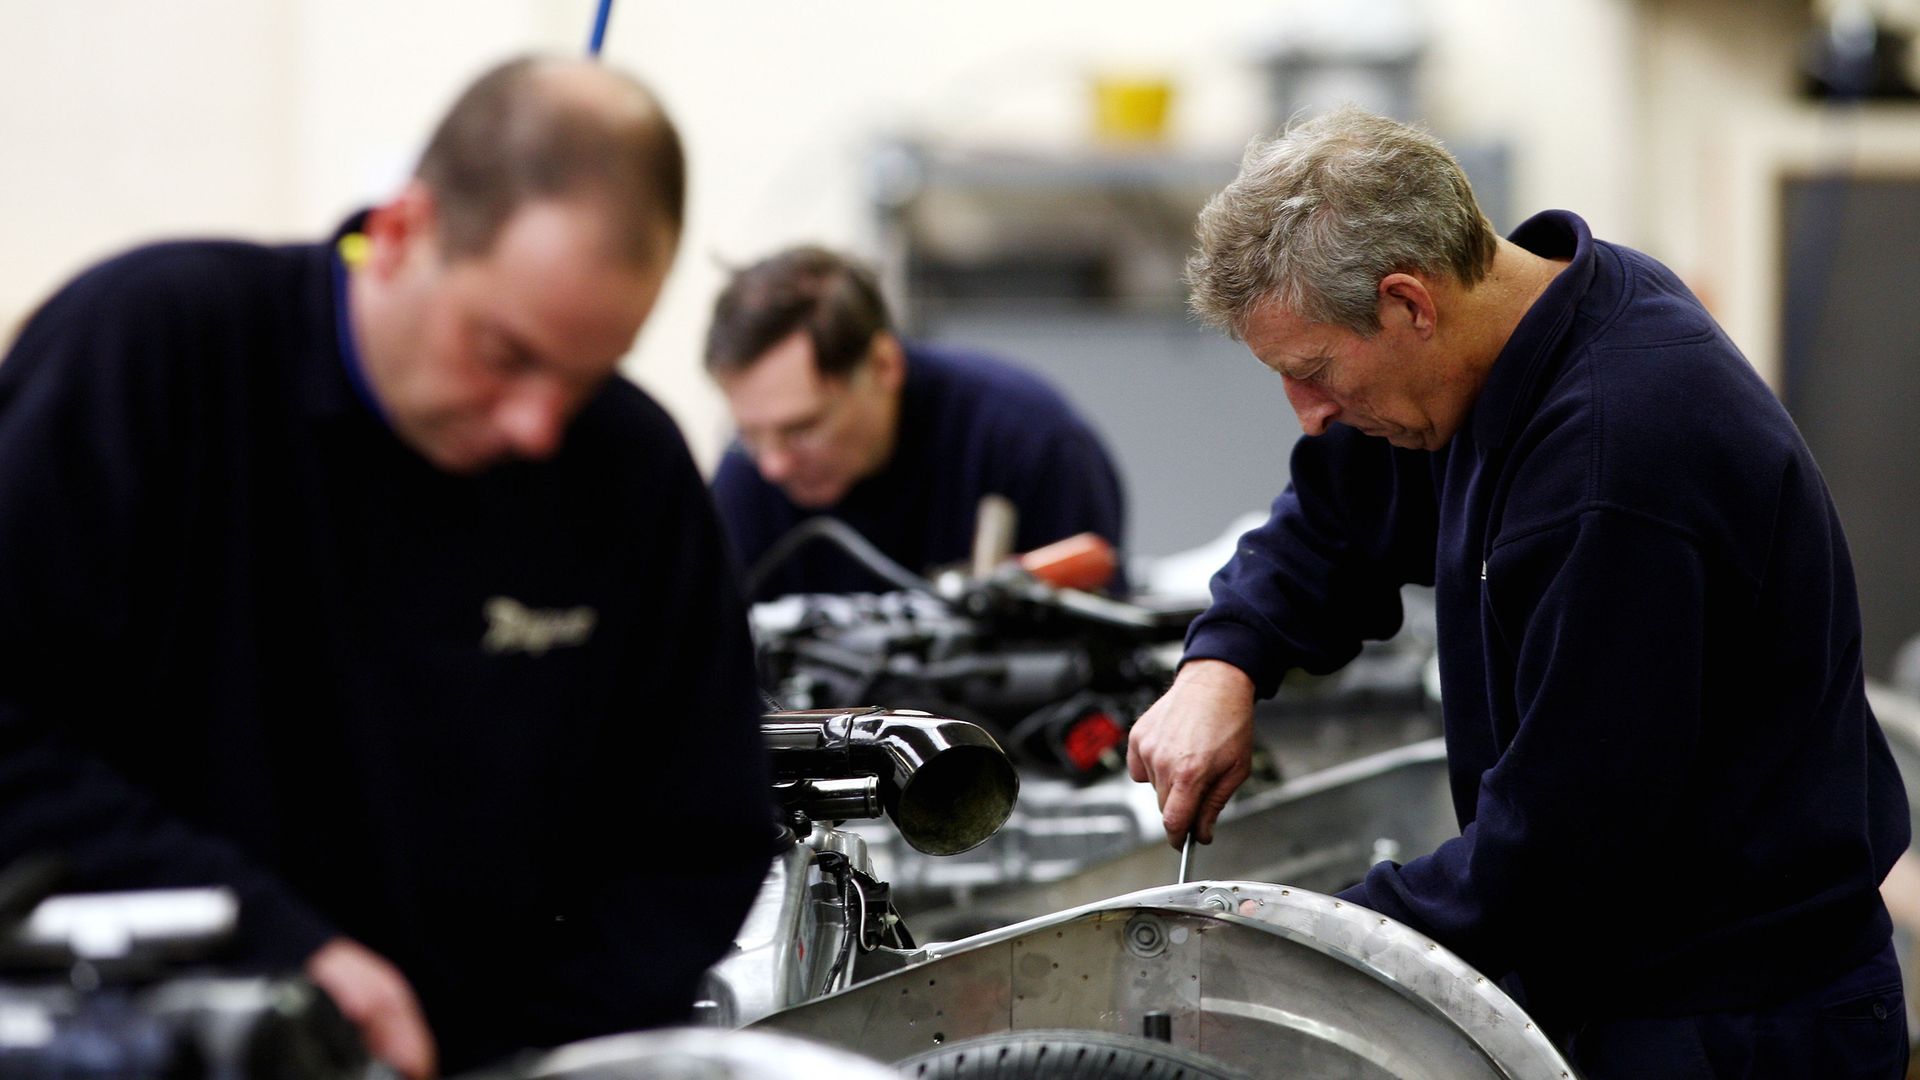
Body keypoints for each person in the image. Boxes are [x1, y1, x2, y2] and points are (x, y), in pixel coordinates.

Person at [0, 56, 773, 1077]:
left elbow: (699, 831)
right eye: (504, 353)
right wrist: (275, 948)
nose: (537, 426)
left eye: (584, 379)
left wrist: (528, 1051)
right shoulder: (153, 354)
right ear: (403, 232)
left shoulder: (628, 473)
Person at [1125, 106, 1911, 1076]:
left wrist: (1292, 938)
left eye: (1315, 370)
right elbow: (1339, 519)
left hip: (1728, 1028)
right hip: (1633, 985)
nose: (1312, 412)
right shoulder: (1509, 334)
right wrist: (1222, 663)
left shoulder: (1615, 467)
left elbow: (1558, 857)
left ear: (1410, 303)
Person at [703, 245, 1127, 600]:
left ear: (883, 366)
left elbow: (1100, 657)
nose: (774, 466)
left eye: (802, 429)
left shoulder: (1029, 444)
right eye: (750, 434)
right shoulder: (745, 478)